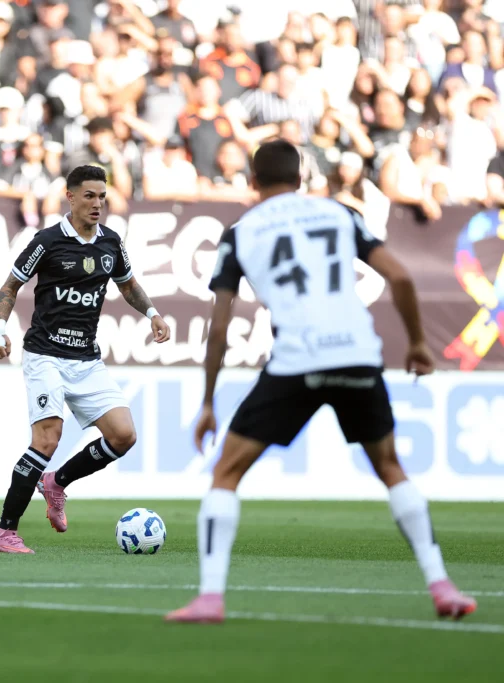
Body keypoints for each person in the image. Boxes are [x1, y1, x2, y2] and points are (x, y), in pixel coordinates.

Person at [166, 140, 478, 624]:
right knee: (390, 467)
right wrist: (418, 344)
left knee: (226, 472)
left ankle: (210, 597)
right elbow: (399, 278)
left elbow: (220, 326)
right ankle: (442, 585)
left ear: (253, 181)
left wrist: (208, 401)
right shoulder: (339, 213)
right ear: (301, 179)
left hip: (297, 359)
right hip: (356, 354)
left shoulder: (241, 234)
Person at [0, 165, 171, 554]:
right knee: (47, 438)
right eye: (89, 195)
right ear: (69, 197)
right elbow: (11, 285)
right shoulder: (48, 241)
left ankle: (56, 482)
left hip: (86, 359)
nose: (97, 203)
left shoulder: (111, 242)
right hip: (45, 354)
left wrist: (152, 313)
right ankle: (4, 532)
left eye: (102, 196)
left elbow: (128, 284)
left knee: (123, 435)